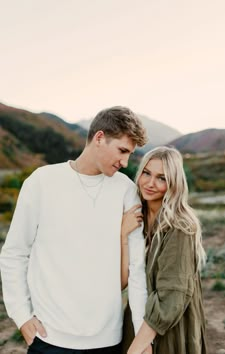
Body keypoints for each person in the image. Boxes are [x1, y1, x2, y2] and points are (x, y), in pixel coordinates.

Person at [0, 106, 149, 354]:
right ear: (100, 138)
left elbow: (137, 270)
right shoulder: (41, 182)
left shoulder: (126, 189)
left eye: (130, 154)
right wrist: (21, 316)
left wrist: (142, 341)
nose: (125, 162)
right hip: (49, 339)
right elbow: (15, 253)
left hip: (107, 340)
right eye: (122, 151)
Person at [121, 146, 207, 354]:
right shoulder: (135, 217)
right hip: (138, 320)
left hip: (166, 329)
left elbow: (171, 298)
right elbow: (123, 281)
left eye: (161, 178)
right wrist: (123, 235)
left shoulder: (180, 227)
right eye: (146, 173)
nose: (150, 183)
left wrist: (138, 347)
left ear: (174, 184)